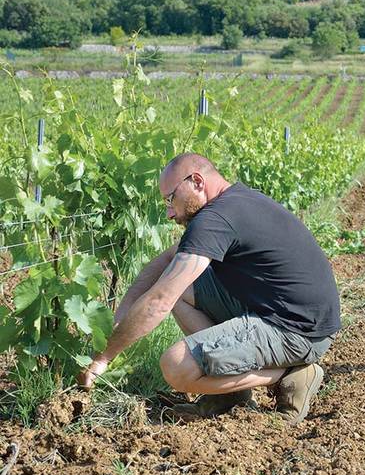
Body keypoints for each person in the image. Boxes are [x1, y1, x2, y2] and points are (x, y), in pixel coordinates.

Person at [77, 152, 340, 424]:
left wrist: (103, 359)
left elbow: (159, 301)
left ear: (197, 182)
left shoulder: (215, 219)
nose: (169, 212)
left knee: (176, 367)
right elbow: (164, 263)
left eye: (171, 199)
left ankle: (290, 375)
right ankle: (231, 395)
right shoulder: (234, 203)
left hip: (297, 330)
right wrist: (117, 321)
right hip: (288, 312)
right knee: (176, 283)